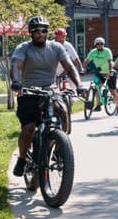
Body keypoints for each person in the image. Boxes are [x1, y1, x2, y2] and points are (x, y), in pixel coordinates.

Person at [10, 16, 84, 176]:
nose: (40, 33)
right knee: (29, 128)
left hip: (49, 89)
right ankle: (22, 159)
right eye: (36, 31)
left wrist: (79, 85)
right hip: (28, 91)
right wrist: (16, 82)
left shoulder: (56, 47)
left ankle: (60, 149)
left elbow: (70, 67)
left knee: (63, 112)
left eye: (44, 30)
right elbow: (16, 64)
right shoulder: (24, 48)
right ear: (30, 32)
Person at [82, 37, 118, 108]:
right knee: (97, 88)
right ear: (95, 45)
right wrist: (82, 69)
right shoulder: (93, 52)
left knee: (112, 90)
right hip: (100, 73)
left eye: (101, 44)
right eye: (98, 44)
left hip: (110, 71)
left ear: (103, 44)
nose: (100, 45)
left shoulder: (107, 51)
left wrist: (110, 71)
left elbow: (110, 62)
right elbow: (86, 61)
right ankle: (98, 105)